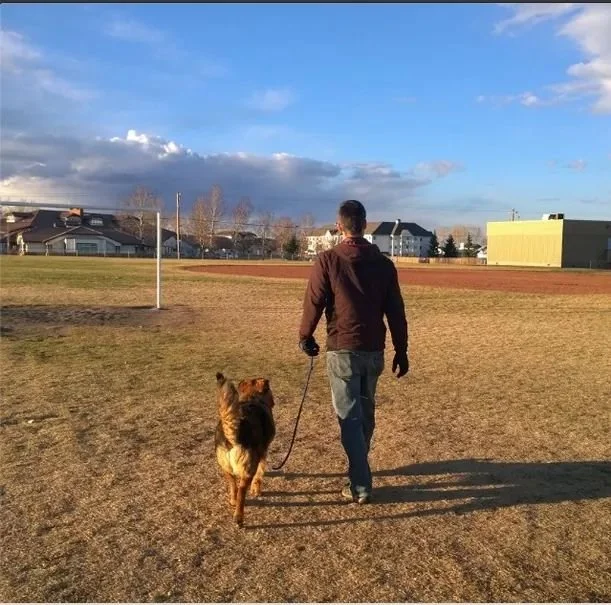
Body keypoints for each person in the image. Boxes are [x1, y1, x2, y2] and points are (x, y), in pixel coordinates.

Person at [298, 200, 409, 504]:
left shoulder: (328, 260)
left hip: (343, 350)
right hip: (373, 350)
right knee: (365, 415)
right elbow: (396, 312)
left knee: (350, 418)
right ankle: (358, 471)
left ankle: (360, 483)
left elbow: (314, 302)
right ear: (364, 223)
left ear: (339, 225)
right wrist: (402, 349)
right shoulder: (384, 265)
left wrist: (305, 335)